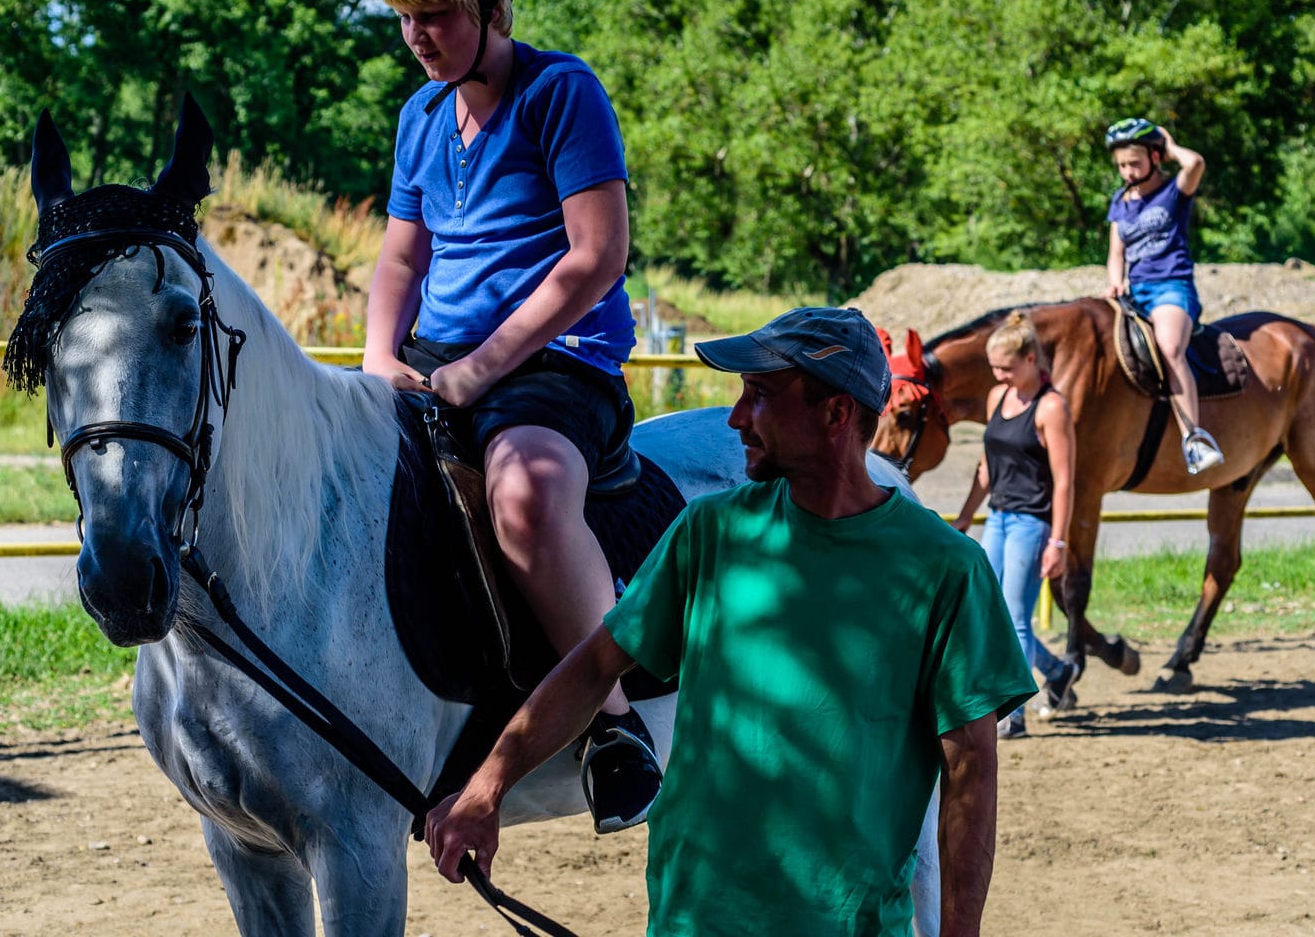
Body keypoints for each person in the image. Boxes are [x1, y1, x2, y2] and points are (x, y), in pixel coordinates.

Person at [425, 307, 1038, 937]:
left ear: (836, 414)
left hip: (846, 923)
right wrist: (487, 786)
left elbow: (970, 772)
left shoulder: (946, 569)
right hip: (694, 918)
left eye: (762, 396)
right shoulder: (709, 531)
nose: (737, 417)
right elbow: (593, 667)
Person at [361, 0, 658, 833]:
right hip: (433, 358)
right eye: (406, 17)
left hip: (553, 363)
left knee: (524, 496)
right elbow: (402, 258)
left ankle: (612, 728)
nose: (419, 35)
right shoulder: (419, 115)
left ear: (496, 3)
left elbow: (596, 256)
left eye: (437, 13)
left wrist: (480, 370)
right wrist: (378, 358)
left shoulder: (563, 93)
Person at [950, 311, 1080, 735]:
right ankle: (1056, 671)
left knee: (1017, 616)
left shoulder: (1051, 407)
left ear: (1030, 359)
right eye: (994, 369)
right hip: (999, 517)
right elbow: (987, 466)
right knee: (992, 614)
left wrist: (1057, 542)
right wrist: (967, 515)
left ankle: (1012, 715)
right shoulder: (996, 399)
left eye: (1006, 368)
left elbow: (1064, 481)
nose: (999, 377)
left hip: (1031, 521)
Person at [1103, 117, 1221, 474]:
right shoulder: (1120, 201)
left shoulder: (1174, 192)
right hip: (1132, 292)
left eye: (1134, 163)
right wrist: (1114, 282)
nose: (1127, 171)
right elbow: (1115, 254)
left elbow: (1196, 163)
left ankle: (1194, 439)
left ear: (1155, 158)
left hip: (1171, 286)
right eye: (1122, 164)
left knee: (1170, 349)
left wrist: (1170, 148)